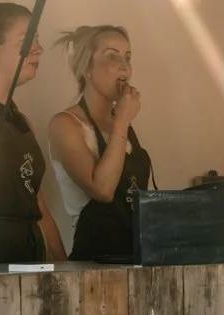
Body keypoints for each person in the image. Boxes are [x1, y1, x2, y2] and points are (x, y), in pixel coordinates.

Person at [47, 24, 154, 261]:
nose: (124, 65)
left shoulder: (122, 123)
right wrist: (122, 121)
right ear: (86, 68)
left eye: (127, 57)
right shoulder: (65, 124)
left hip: (136, 258)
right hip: (93, 263)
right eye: (111, 56)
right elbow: (103, 190)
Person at [0, 2, 62, 268]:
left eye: (37, 39)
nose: (38, 49)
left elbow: (38, 206)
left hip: (28, 259)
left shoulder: (22, 121)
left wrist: (64, 268)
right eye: (26, 40)